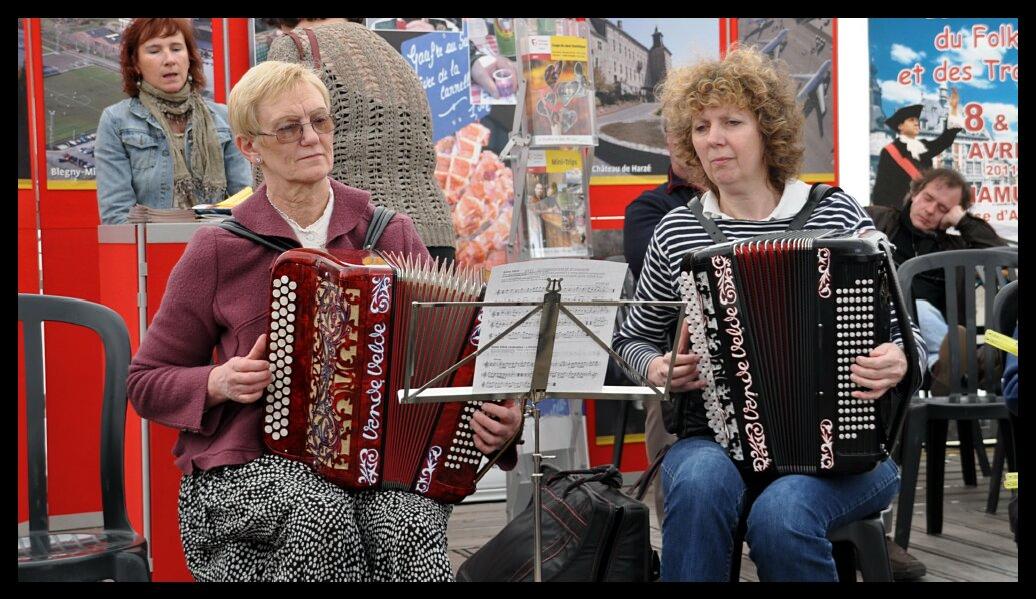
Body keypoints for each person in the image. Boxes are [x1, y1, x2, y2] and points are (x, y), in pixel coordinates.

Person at [125, 61, 522, 582]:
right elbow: (146, 382)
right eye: (290, 128)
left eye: (321, 121)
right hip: (250, 468)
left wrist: (503, 425)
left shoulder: (388, 233)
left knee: (407, 522)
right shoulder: (220, 249)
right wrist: (217, 381)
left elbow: (456, 362)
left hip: (378, 466)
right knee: (319, 511)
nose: (312, 138)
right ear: (249, 147)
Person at [611, 47, 928, 582]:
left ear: (768, 130)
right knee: (697, 484)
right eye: (700, 126)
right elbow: (630, 340)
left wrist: (897, 359)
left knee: (782, 516)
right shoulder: (676, 231)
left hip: (844, 447)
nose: (713, 138)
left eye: (732, 122)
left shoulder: (835, 214)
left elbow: (909, 337)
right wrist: (657, 367)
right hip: (714, 441)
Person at [263, 18, 457, 263]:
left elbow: (272, 137)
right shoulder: (385, 50)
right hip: (435, 233)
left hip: (360, 239)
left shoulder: (295, 47)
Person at [866, 168, 1008, 395]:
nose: (930, 210)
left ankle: (941, 366)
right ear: (914, 193)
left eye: (943, 208)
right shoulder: (877, 219)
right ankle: (958, 365)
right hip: (884, 331)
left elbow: (1002, 255)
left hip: (935, 335)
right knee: (912, 304)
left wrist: (962, 221)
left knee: (924, 310)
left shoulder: (954, 246)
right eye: (928, 198)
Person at [95, 18, 251, 224]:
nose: (169, 59)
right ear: (136, 63)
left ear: (190, 57)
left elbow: (245, 207)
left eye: (176, 48)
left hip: (217, 246)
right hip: (150, 250)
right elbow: (117, 216)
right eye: (154, 51)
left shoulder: (224, 118)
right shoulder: (116, 121)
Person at [620, 123, 700, 523]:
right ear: (668, 142)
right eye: (687, 133)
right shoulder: (650, 209)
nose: (695, 143)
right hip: (678, 360)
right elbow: (658, 291)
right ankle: (680, 534)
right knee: (666, 406)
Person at [870, 91, 963, 208]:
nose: (916, 123)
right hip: (900, 211)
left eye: (917, 120)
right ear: (900, 126)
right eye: (911, 120)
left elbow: (945, 140)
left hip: (924, 208)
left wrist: (953, 109)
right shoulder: (889, 151)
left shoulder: (923, 146)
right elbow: (881, 191)